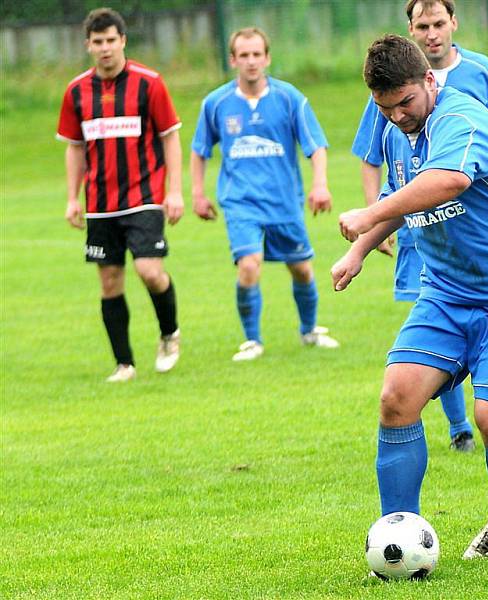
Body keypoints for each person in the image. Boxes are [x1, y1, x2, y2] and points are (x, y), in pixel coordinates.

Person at [332, 35, 488, 559]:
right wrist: (361, 250)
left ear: (429, 82)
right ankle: (399, 535)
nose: (396, 117)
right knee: (396, 399)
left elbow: (448, 180)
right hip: (447, 292)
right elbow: (401, 194)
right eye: (384, 108)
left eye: (405, 104)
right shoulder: (398, 128)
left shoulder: (462, 118)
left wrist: (366, 215)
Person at [351, 0, 488, 452]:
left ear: (454, 23)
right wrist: (366, 239)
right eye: (421, 26)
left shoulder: (479, 75)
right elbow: (382, 165)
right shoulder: (392, 103)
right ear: (411, 30)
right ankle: (457, 426)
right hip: (422, 231)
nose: (431, 33)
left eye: (438, 23)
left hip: (486, 236)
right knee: (429, 338)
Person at [190, 27, 338, 361]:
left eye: (257, 54)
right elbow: (200, 150)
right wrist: (198, 194)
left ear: (267, 58)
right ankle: (252, 341)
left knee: (301, 269)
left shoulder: (290, 98)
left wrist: (320, 184)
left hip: (284, 202)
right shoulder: (216, 103)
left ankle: (309, 331)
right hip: (240, 202)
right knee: (249, 265)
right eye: (244, 55)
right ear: (233, 60)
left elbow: (316, 146)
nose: (251, 61)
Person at [57, 7, 183, 383]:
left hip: (144, 197)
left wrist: (174, 191)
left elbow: (170, 137)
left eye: (112, 40)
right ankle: (124, 364)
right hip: (99, 203)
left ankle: (169, 333)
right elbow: (74, 147)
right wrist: (72, 197)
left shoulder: (150, 83)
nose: (106, 48)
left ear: (123, 40)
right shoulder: (76, 91)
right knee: (110, 281)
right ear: (88, 46)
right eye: (98, 42)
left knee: (149, 271)